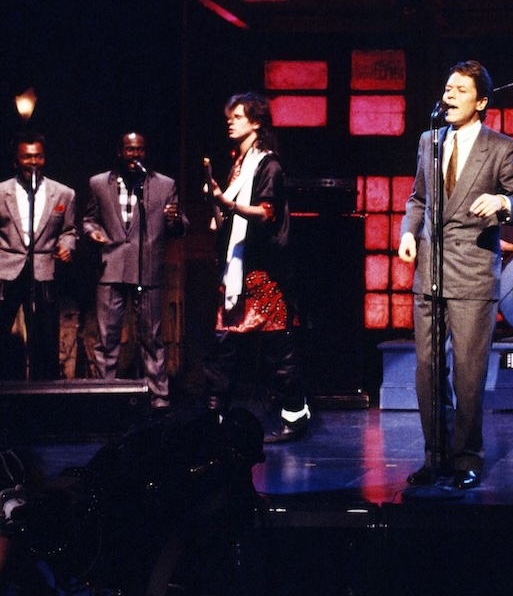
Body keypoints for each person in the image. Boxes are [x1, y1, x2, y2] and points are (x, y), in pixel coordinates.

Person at [398, 60, 513, 490]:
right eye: (447, 88)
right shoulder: (429, 141)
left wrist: (501, 202)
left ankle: (465, 457)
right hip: (430, 272)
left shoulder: (500, 147)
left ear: (481, 101)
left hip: (473, 274)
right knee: (427, 369)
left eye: (459, 90)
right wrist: (407, 233)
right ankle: (434, 455)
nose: (449, 95)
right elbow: (418, 198)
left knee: (468, 373)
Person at [202, 93, 310, 444]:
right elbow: (230, 215)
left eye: (238, 116)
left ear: (256, 122)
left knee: (279, 348)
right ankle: (214, 418)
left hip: (264, 272)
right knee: (223, 345)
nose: (230, 122)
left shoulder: (268, 164)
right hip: (237, 268)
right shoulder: (238, 162)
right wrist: (219, 209)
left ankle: (294, 415)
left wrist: (227, 202)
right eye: (228, 116)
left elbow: (266, 212)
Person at [82, 133, 188, 409]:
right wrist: (93, 232)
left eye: (140, 150)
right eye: (130, 150)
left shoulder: (164, 185)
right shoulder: (98, 183)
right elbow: (89, 219)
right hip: (111, 267)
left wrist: (174, 220)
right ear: (119, 152)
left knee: (151, 337)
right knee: (108, 338)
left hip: (148, 268)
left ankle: (159, 396)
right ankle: (103, 395)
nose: (135, 155)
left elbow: (180, 226)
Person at [0, 132, 77, 381]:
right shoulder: (1, 193)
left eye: (38, 156)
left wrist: (67, 246)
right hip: (6, 271)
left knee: (44, 339)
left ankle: (43, 396)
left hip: (44, 271)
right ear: (16, 161)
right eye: (27, 156)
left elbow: (69, 231)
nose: (33, 161)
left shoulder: (63, 194)